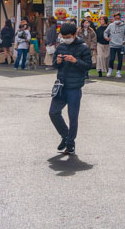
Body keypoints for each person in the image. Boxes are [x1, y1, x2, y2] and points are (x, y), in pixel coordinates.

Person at [50, 22, 94, 154]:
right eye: (63, 37)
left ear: (75, 34)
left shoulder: (83, 48)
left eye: (68, 36)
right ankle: (65, 135)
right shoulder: (61, 46)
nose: (65, 39)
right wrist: (57, 62)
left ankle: (70, 142)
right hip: (61, 85)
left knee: (73, 116)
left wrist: (75, 61)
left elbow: (88, 65)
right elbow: (54, 64)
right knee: (53, 112)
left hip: (74, 87)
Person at [104, 12, 125, 78]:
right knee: (111, 59)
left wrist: (124, 40)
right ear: (114, 19)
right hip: (112, 45)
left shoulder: (124, 25)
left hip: (120, 45)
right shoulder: (111, 25)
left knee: (120, 59)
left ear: (120, 18)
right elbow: (105, 32)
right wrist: (106, 37)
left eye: (118, 18)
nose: (117, 20)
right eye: (116, 18)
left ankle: (118, 71)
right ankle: (110, 69)